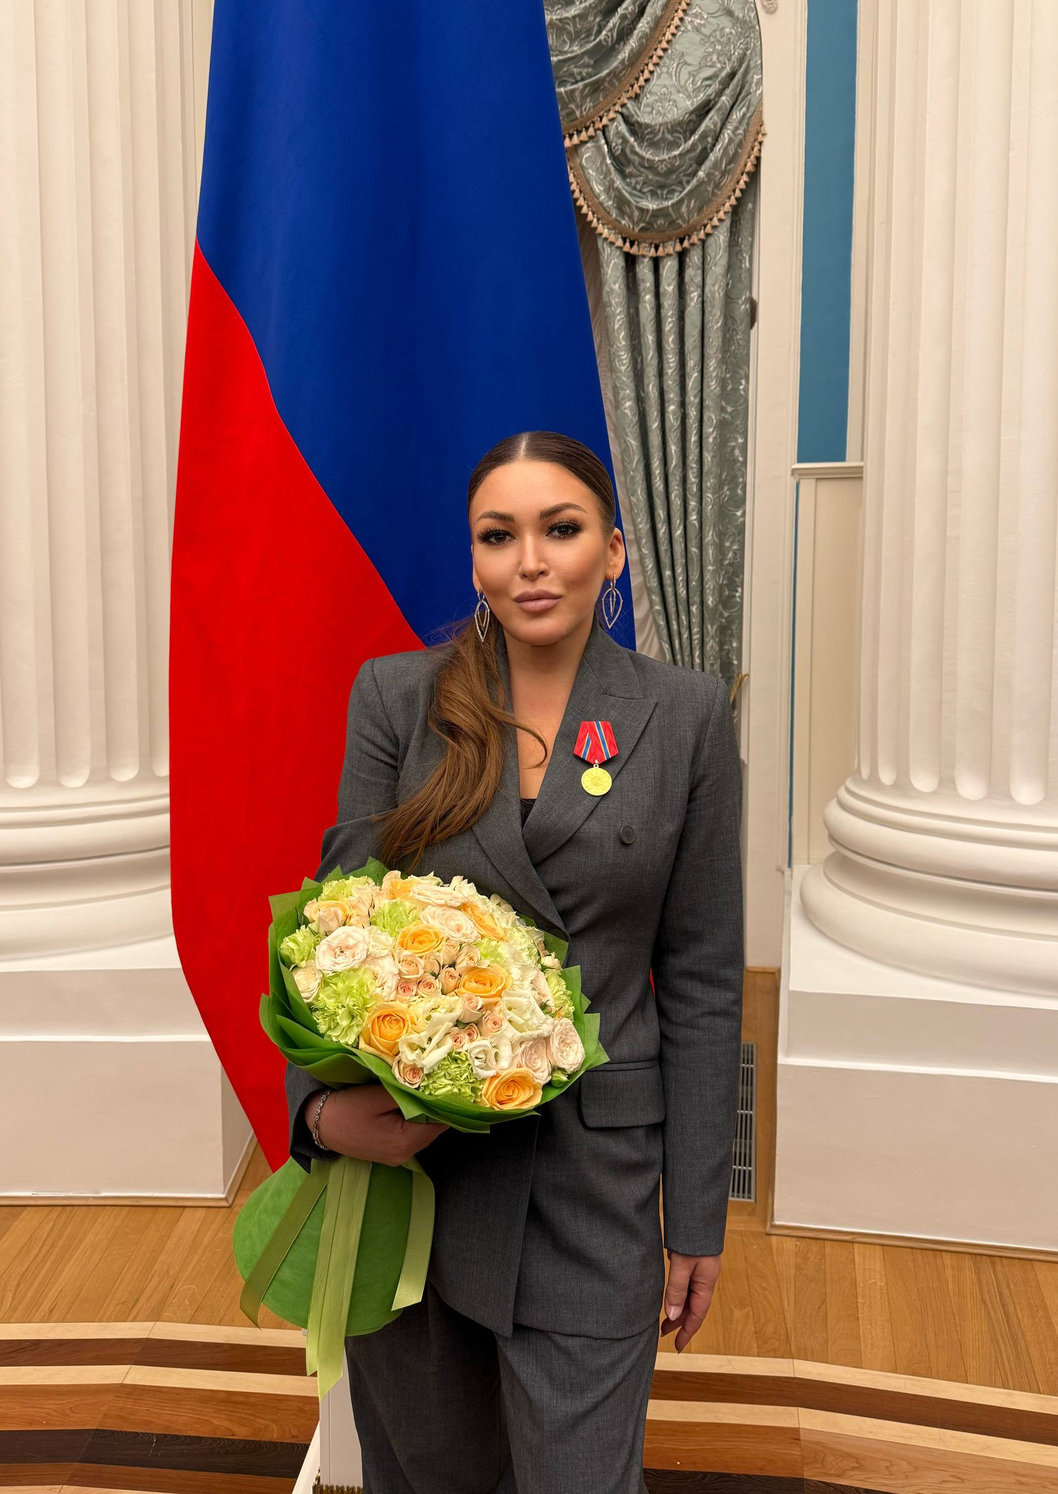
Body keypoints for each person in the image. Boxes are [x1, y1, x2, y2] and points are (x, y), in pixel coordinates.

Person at [284, 431, 745, 1494]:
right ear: (475, 559)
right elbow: (329, 937)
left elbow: (704, 977)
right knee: (428, 1476)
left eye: (561, 529)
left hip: (592, 1185)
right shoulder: (398, 699)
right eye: (500, 536)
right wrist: (321, 1113)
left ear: (613, 551)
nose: (531, 561)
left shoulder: (684, 715)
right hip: (417, 1181)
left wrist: (697, 1215)